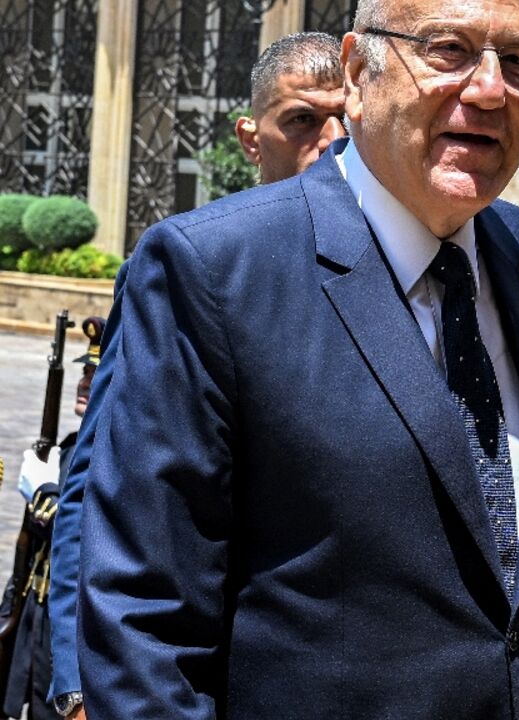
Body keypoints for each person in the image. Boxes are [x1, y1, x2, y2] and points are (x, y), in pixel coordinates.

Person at [75, 0, 519, 716]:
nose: (490, 89)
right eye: (449, 50)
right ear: (356, 72)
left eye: (518, 62)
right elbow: (143, 617)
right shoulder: (216, 270)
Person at [44, 33, 356, 720]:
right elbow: (95, 483)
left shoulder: (399, 278)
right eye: (300, 120)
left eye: (346, 118)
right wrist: (77, 681)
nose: (329, 141)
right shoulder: (197, 267)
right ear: (252, 138)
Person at [3, 317, 103, 720]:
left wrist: (45, 494)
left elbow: (89, 531)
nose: (84, 382)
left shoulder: (111, 450)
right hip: (35, 621)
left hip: (71, 628)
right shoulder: (71, 446)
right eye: (82, 372)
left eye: (95, 373)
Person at [234, 31, 346, 184]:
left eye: (348, 118)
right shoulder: (222, 209)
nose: (336, 138)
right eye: (302, 119)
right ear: (252, 142)